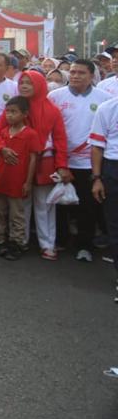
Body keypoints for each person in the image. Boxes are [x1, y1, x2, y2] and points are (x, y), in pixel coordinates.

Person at [0, 71, 68, 260]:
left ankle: (47, 244)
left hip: (44, 162)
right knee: (21, 204)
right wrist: (2, 149)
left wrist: (62, 165)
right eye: (22, 82)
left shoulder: (52, 110)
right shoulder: (14, 107)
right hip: (16, 163)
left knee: (45, 205)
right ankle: (20, 241)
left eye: (29, 83)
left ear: (40, 85)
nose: (24, 86)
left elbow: (60, 139)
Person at [49, 59, 109, 262]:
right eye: (73, 72)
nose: (75, 76)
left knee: (87, 206)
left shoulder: (104, 99)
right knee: (59, 203)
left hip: (89, 163)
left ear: (92, 76)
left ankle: (85, 245)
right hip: (61, 160)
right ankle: (61, 239)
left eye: (81, 73)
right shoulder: (55, 96)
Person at [0, 96, 40, 261]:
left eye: (14, 112)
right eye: (7, 112)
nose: (9, 115)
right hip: (1, 179)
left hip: (18, 181)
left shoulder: (30, 134)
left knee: (17, 214)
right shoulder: (4, 133)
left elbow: (33, 158)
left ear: (25, 114)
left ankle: (16, 243)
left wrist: (28, 181)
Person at [89, 97, 118, 303]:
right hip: (112, 169)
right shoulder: (107, 108)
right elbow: (97, 147)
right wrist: (97, 178)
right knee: (115, 227)